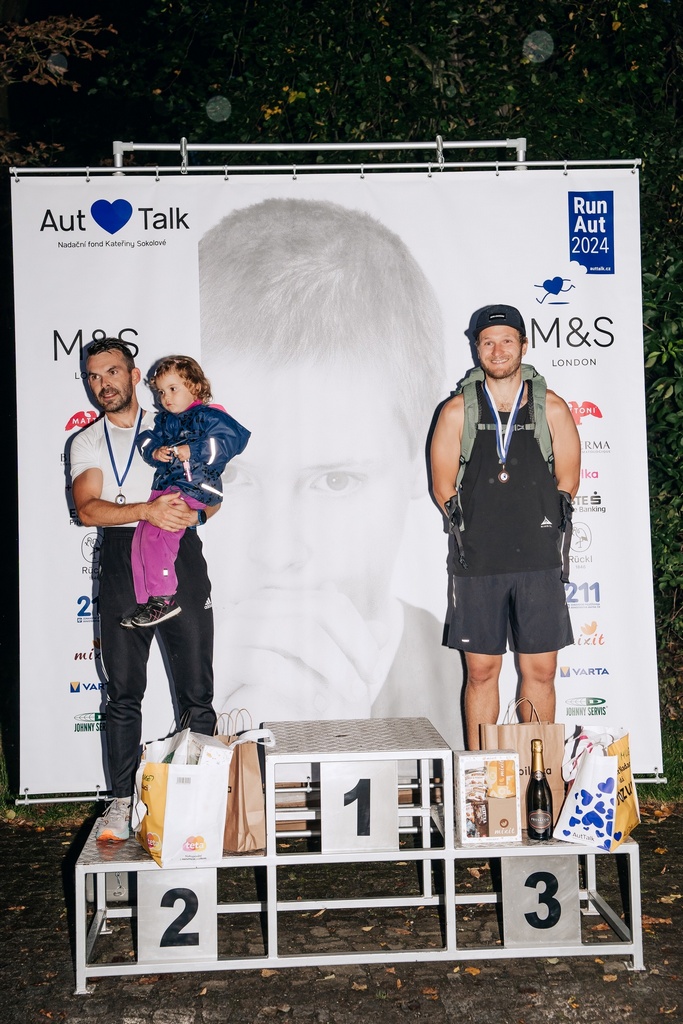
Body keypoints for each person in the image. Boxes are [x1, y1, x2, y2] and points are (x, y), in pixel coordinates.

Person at [198, 197, 465, 749]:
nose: (277, 552)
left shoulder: (484, 685)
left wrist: (341, 748)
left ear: (424, 460)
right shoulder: (138, 678)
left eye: (335, 482)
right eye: (231, 477)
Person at [70, 338, 218, 840]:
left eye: (112, 372)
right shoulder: (87, 441)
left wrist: (194, 514)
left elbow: (212, 493)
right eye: (93, 376)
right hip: (120, 556)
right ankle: (120, 800)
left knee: (196, 690)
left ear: (134, 376)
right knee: (124, 692)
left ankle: (198, 803)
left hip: (177, 549)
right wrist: (144, 510)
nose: (103, 384)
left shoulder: (174, 424)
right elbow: (88, 508)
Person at [430, 304, 581, 750]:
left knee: (541, 671)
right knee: (481, 672)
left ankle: (538, 775)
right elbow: (442, 485)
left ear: (523, 346)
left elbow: (569, 479)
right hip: (478, 564)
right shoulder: (456, 411)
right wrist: (473, 531)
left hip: (538, 561)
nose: (498, 351)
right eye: (488, 342)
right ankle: (482, 778)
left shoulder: (552, 408)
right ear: (477, 349)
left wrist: (542, 526)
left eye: (507, 341)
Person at [126, 355, 250, 628]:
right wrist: (154, 451)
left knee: (158, 536)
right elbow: (145, 439)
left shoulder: (209, 415)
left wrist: (193, 450)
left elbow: (230, 442)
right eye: (161, 392)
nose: (166, 397)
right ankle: (148, 601)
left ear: (195, 387)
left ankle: (163, 599)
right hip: (166, 487)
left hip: (196, 486)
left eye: (173, 389)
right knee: (141, 538)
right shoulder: (165, 421)